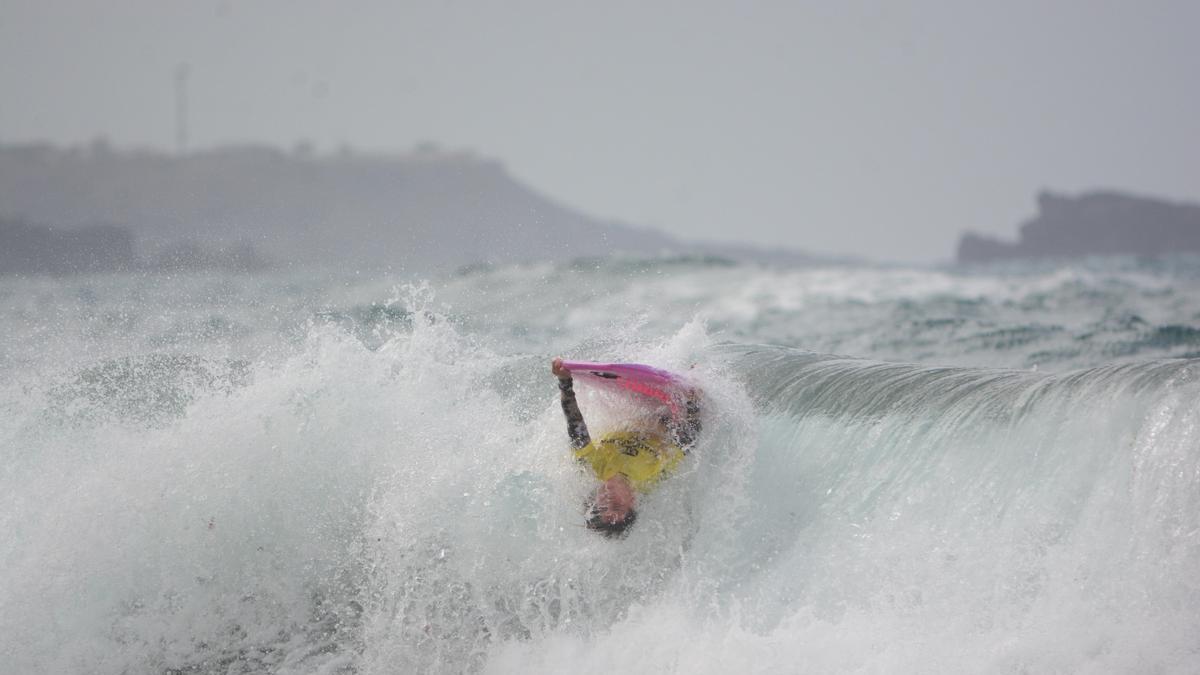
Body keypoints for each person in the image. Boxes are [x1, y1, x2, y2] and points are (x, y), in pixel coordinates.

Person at [552, 357, 702, 538]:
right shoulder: (651, 475)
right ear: (632, 500)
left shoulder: (592, 467)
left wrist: (564, 381)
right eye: (616, 505)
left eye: (601, 506)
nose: (607, 500)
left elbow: (576, 427)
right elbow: (688, 441)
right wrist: (693, 400)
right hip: (669, 413)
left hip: (637, 405)